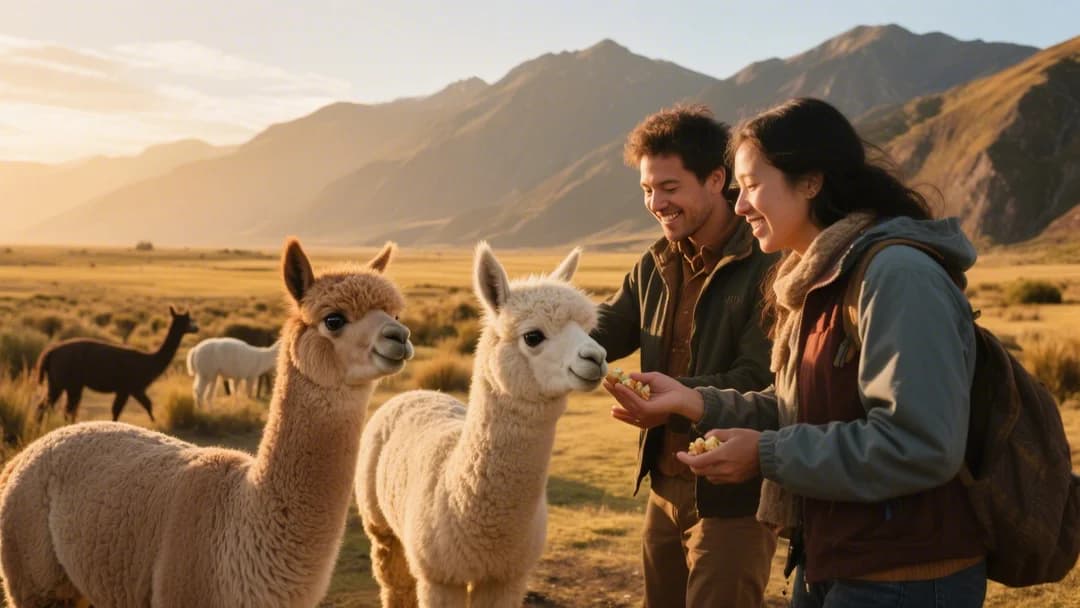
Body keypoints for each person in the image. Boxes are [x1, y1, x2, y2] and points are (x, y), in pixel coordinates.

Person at [607, 97, 988, 607]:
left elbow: (918, 444)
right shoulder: (813, 278)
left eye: (752, 187)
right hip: (832, 556)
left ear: (811, 181)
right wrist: (691, 402)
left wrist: (765, 454)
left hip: (904, 573)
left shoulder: (897, 276)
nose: (740, 206)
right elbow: (799, 408)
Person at [592, 103, 779, 608]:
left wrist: (674, 400)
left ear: (717, 179)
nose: (656, 203)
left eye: (669, 189)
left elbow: (760, 380)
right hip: (663, 481)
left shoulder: (768, 261)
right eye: (648, 191)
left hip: (734, 492)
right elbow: (608, 328)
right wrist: (539, 328)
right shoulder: (654, 261)